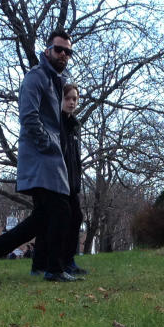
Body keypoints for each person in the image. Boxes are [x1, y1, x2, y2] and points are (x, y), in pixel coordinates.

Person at [0, 30, 79, 282]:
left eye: (68, 52)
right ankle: (54, 269)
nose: (63, 55)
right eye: (59, 49)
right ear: (47, 50)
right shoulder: (36, 77)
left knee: (43, 217)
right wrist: (48, 145)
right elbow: (29, 117)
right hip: (41, 157)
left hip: (51, 158)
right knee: (61, 210)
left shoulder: (56, 80)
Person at [60, 81, 89, 276]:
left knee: (76, 217)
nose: (71, 102)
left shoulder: (74, 125)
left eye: (75, 99)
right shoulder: (58, 122)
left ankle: (69, 260)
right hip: (59, 181)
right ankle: (57, 262)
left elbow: (75, 158)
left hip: (72, 182)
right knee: (61, 219)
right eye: (68, 98)